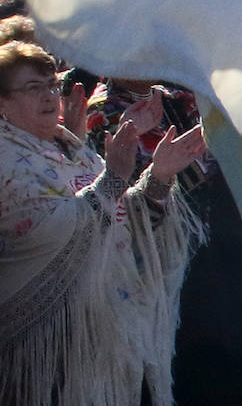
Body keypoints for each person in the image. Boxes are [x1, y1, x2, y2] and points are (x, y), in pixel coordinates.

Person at [0, 40, 204, 405]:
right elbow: (49, 233)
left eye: (51, 85)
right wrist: (112, 179)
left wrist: (158, 177)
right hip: (52, 359)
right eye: (34, 88)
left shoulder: (72, 149)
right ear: (2, 102)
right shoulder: (6, 162)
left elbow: (123, 219)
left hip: (107, 343)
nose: (49, 96)